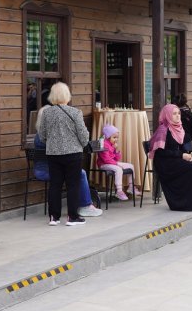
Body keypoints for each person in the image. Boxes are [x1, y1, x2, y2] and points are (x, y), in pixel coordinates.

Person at [36, 83, 91, 226]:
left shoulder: (47, 113)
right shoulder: (75, 112)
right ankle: (72, 217)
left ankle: (54, 217)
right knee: (73, 185)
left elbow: (42, 136)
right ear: (67, 95)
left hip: (53, 154)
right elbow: (84, 137)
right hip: (73, 153)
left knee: (55, 185)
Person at [148, 104, 192, 211]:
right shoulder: (163, 130)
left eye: (178, 113)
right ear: (167, 115)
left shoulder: (179, 128)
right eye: (174, 114)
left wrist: (187, 155)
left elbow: (180, 147)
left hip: (175, 159)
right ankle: (187, 203)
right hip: (165, 163)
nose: (177, 116)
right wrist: (181, 155)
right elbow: (162, 152)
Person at [97, 124, 135, 201]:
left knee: (131, 166)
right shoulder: (103, 144)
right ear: (108, 137)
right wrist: (116, 164)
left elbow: (116, 158)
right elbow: (106, 159)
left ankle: (131, 187)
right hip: (104, 164)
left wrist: (116, 150)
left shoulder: (112, 145)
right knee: (118, 169)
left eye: (117, 137)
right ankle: (119, 191)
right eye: (114, 137)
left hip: (112, 163)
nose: (116, 139)